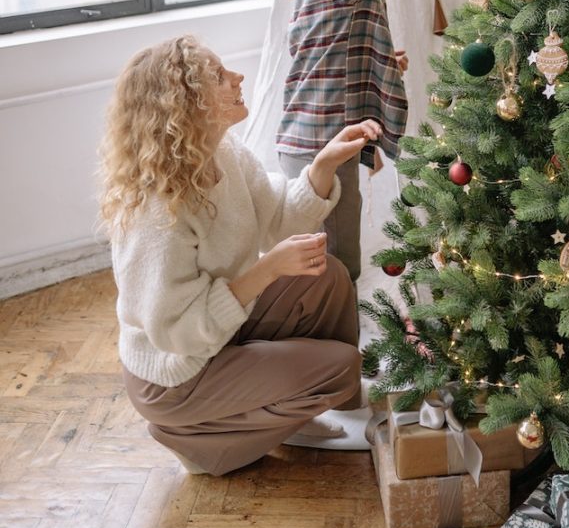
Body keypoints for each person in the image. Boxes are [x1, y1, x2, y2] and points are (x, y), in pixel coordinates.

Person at [99, 34, 382, 476]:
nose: (238, 77)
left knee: (327, 275)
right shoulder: (157, 209)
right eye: (218, 76)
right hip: (176, 374)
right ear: (187, 103)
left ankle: (335, 406)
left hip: (219, 334)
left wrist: (324, 164)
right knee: (339, 366)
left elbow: (282, 218)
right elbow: (179, 334)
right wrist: (268, 270)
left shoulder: (225, 153)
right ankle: (200, 440)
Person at [276, 0, 497, 283]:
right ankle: (329, 339)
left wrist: (380, 62)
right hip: (317, 143)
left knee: (334, 255)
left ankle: (325, 333)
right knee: (335, 264)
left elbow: (326, 54)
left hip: (320, 138)